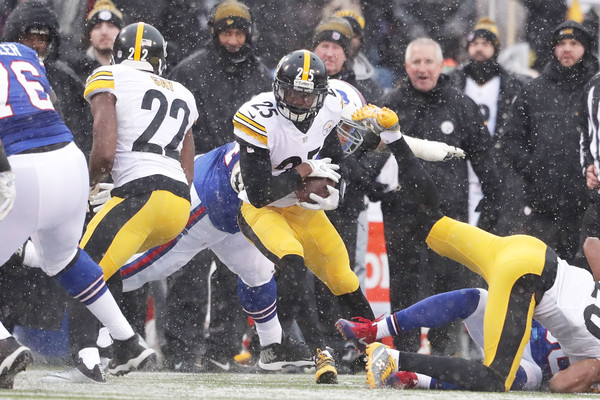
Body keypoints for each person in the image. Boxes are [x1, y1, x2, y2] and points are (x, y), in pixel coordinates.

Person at [347, 103, 600, 393]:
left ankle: (393, 137)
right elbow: (560, 383)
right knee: (495, 378)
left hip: (532, 252)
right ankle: (394, 358)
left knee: (432, 222)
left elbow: (592, 245)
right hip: (529, 278)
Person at [44, 22, 197, 383]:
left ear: (119, 54)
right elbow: (186, 164)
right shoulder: (183, 92)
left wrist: (89, 184)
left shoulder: (108, 76)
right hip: (176, 204)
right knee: (104, 269)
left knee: (77, 266)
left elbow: (105, 149)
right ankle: (122, 346)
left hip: (142, 193)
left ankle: (88, 359)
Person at [0, 41, 155, 388]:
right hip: (68, 158)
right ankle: (127, 341)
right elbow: (49, 101)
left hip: (21, 165)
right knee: (65, 259)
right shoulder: (20, 53)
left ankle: (3, 347)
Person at [232, 49, 374, 384]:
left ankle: (376, 349)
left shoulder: (331, 107)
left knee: (342, 277)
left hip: (300, 207)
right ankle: (312, 350)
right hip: (261, 208)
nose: (298, 101)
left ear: (321, 96)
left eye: (307, 95)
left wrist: (334, 181)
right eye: (293, 92)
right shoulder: (258, 115)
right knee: (293, 261)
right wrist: (306, 170)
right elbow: (258, 191)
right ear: (278, 88)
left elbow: (335, 153)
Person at [378, 37, 501, 356]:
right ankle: (403, 354)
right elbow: (370, 152)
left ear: (440, 64)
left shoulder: (460, 104)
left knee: (448, 284)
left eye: (428, 62)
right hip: (402, 211)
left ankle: (444, 351)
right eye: (416, 63)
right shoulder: (391, 104)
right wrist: (368, 182)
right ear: (406, 67)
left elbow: (485, 156)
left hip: (448, 214)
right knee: (404, 283)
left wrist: (492, 196)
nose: (422, 69)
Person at [502, 20, 599, 265]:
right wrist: (534, 169)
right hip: (544, 205)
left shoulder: (595, 90)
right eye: (561, 44)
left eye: (574, 43)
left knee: (586, 281)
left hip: (589, 205)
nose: (567, 49)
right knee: (543, 276)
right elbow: (511, 139)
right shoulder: (533, 90)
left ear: (586, 48)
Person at [337, 288, 569, 391]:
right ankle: (374, 330)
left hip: (532, 367)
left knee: (510, 378)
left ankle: (416, 378)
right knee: (478, 297)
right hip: (519, 324)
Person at [449, 17, 529, 234]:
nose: (479, 49)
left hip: (495, 161)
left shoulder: (513, 84)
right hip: (461, 161)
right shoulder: (453, 81)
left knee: (494, 224)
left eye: (485, 44)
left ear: (495, 49)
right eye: (475, 44)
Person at [169, 0, 272, 155]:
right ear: (215, 34)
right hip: (199, 161)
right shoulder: (188, 71)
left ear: (248, 36)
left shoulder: (261, 75)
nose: (232, 41)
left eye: (239, 34)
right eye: (226, 33)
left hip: (245, 163)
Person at [0, 0, 94, 158]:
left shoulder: (66, 78)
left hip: (59, 155)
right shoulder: (4, 70)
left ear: (51, 42)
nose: (35, 45)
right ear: (14, 37)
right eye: (29, 37)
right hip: (16, 153)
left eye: (41, 38)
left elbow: (84, 128)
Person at [312, 16, 382, 102]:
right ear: (314, 50)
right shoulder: (296, 82)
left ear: (345, 55)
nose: (329, 54)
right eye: (325, 46)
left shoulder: (360, 95)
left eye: (336, 48)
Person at [68, 0, 124, 83]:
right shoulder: (76, 70)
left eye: (110, 26)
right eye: (97, 27)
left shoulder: (131, 66)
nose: (104, 32)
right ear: (90, 34)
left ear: (121, 32)